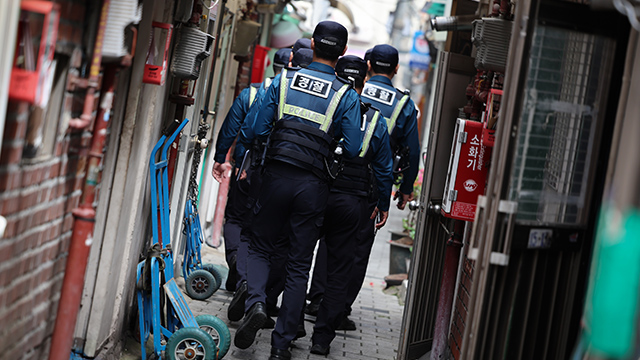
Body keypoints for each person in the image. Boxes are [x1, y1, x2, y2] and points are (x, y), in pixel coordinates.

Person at [234, 21, 362, 360]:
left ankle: (258, 302)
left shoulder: (284, 80)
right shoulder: (345, 95)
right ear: (343, 53)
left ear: (310, 46)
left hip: (275, 175)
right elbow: (352, 148)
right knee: (298, 265)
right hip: (313, 186)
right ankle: (280, 347)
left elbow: (258, 126)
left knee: (261, 247)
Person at [309, 55, 394, 356]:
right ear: (364, 83)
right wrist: (383, 204)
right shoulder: (375, 120)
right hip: (353, 203)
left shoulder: (322, 104)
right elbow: (384, 169)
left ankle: (289, 325)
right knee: (340, 269)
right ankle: (321, 338)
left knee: (299, 260)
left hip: (315, 193)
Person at [362, 45, 420, 210]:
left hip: (339, 173)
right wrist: (406, 188)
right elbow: (413, 151)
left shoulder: (354, 89)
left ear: (369, 65)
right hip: (375, 183)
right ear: (396, 68)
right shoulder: (404, 104)